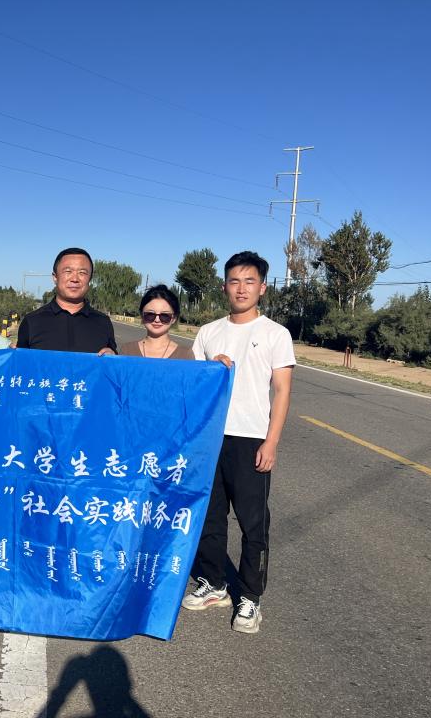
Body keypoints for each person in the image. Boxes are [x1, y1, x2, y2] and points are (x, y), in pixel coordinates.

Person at [182, 251, 295, 634]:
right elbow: (195, 386)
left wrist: (271, 441)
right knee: (210, 517)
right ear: (224, 286)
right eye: (234, 281)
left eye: (250, 281)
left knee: (253, 523)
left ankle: (250, 597)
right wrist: (211, 369)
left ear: (262, 288)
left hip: (250, 439)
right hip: (210, 437)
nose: (241, 288)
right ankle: (214, 583)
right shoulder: (208, 332)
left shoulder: (275, 334)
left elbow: (282, 391)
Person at [16, 247, 117, 355]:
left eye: (82, 273)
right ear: (55, 277)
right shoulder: (32, 321)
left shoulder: (103, 322)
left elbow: (115, 362)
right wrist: (12, 355)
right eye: (68, 271)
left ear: (90, 279)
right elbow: (20, 362)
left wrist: (113, 358)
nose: (75, 279)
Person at [119, 284, 194, 360]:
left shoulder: (185, 355)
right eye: (150, 314)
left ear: (174, 318)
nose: (157, 320)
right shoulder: (127, 351)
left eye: (164, 316)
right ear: (142, 315)